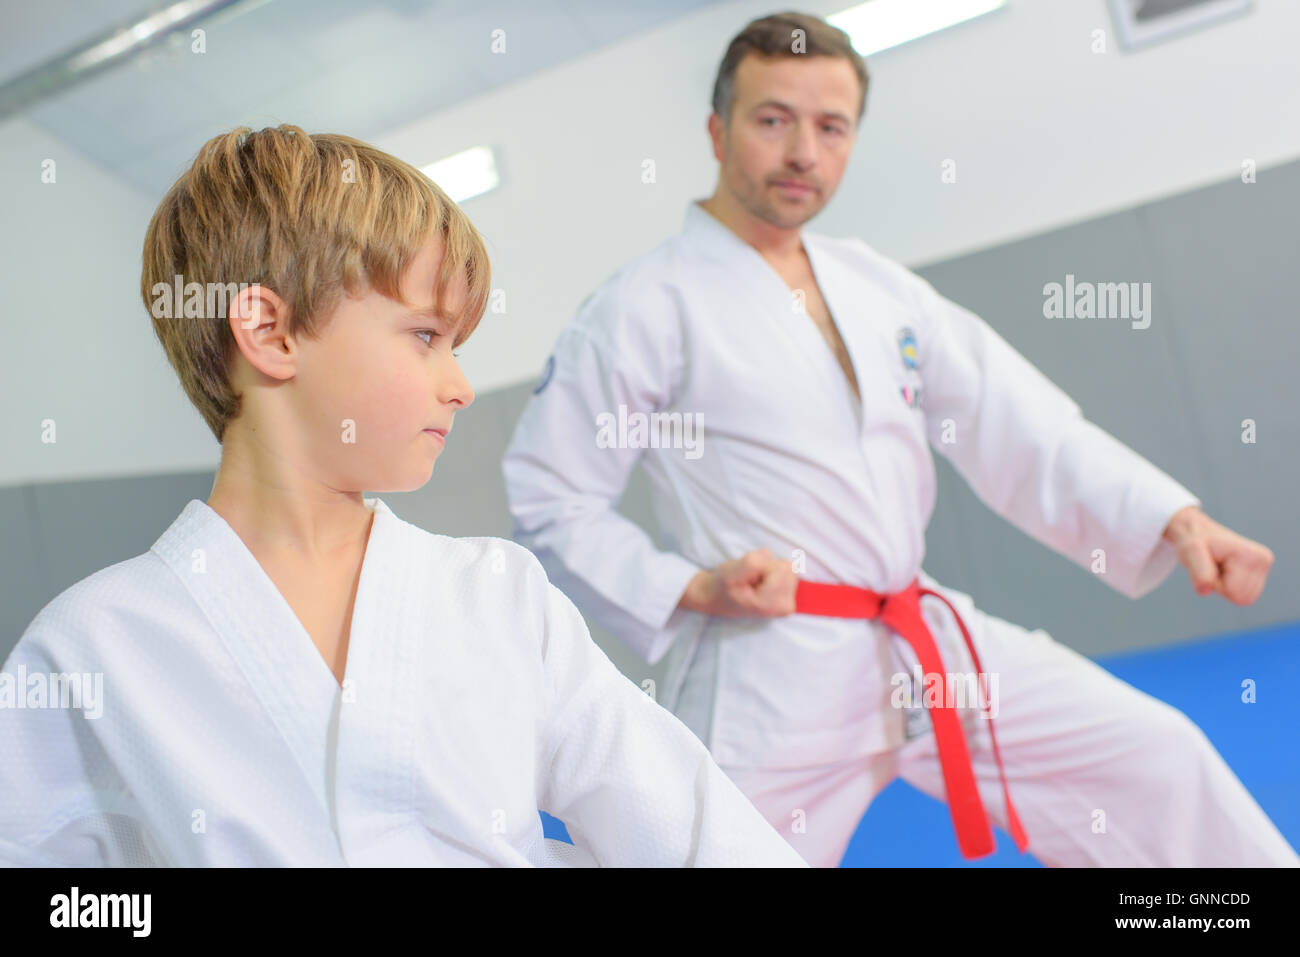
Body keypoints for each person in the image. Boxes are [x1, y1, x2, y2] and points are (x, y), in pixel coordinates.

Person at [501, 12, 1297, 867]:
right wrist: (691, 584)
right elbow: (550, 498)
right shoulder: (643, 306)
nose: (803, 150)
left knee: (1156, 761)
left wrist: (1170, 518)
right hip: (771, 666)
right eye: (773, 119)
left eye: (831, 126)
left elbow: (1017, 421)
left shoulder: (876, 285)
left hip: (923, 635)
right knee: (695, 856)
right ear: (716, 130)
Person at [0, 125, 807, 868]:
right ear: (271, 334)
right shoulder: (91, 648)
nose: (458, 386)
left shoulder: (497, 597)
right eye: (426, 336)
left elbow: (695, 830)